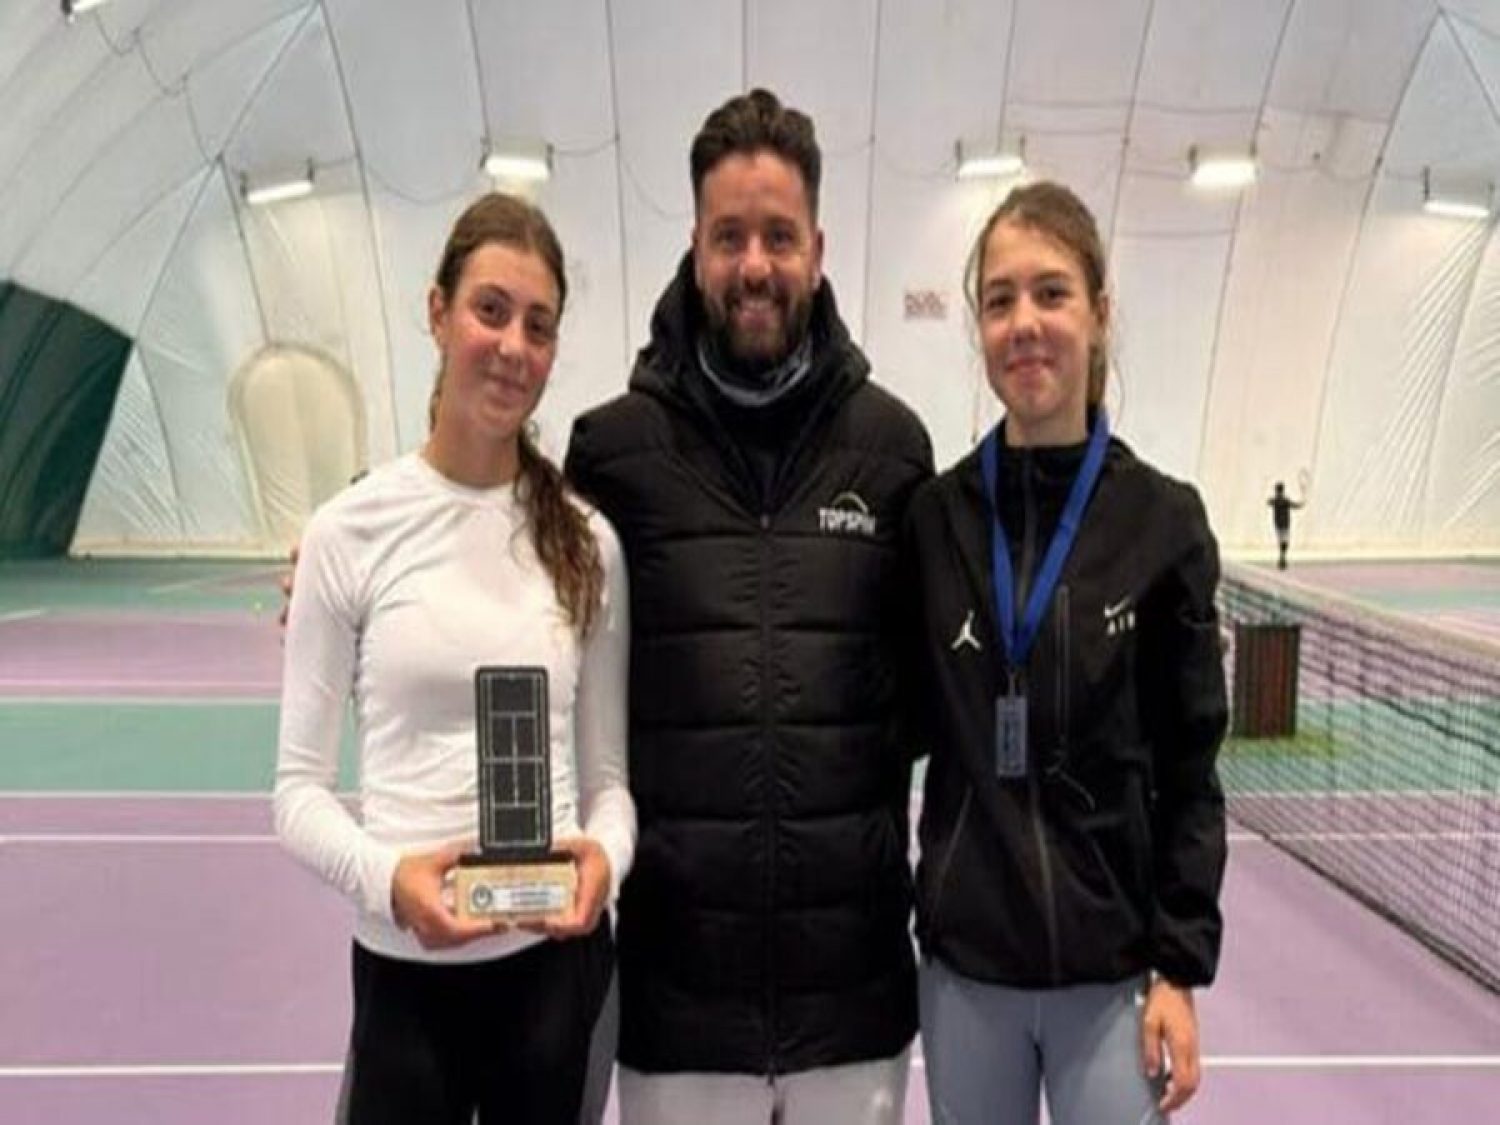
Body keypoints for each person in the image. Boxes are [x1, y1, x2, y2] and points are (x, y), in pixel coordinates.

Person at [564, 89, 933, 1123]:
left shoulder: (894, 449)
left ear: (818, 249)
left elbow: (925, 692)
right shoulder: (612, 454)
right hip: (677, 1016)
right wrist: (367, 548)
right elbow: (516, 597)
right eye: (730, 237)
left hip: (853, 1011)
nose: (755, 265)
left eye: (779, 236)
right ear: (696, 247)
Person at [274, 192, 634, 1124]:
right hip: (404, 981)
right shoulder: (346, 533)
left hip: (554, 978)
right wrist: (390, 882)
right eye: (490, 311)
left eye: (538, 326)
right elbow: (297, 795)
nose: (513, 346)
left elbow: (609, 786)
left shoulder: (588, 544)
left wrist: (605, 861)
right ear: (437, 312)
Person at [903, 181, 1228, 1124]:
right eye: (999, 300)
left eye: (1051, 293)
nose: (1025, 324)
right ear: (979, 328)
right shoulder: (935, 520)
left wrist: (1178, 966)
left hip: (1113, 979)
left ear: (1098, 312)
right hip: (968, 974)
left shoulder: (1164, 523)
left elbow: (1192, 772)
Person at [1267, 480, 1303, 570]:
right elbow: (1296, 506)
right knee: (1284, 541)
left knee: (1282, 541)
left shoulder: (1276, 500)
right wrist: (1301, 504)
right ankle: (1282, 557)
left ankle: (1282, 557)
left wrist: (1299, 505)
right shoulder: (1284, 500)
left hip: (1279, 524)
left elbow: (1269, 502)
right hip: (1285, 523)